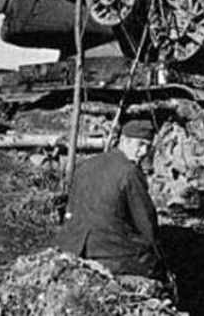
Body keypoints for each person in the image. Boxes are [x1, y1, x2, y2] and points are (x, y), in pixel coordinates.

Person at [55, 118, 162, 278]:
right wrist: (158, 251)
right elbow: (146, 223)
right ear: (124, 141)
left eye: (148, 147)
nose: (144, 152)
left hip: (73, 247)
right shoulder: (129, 172)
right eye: (140, 145)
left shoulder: (86, 165)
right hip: (110, 255)